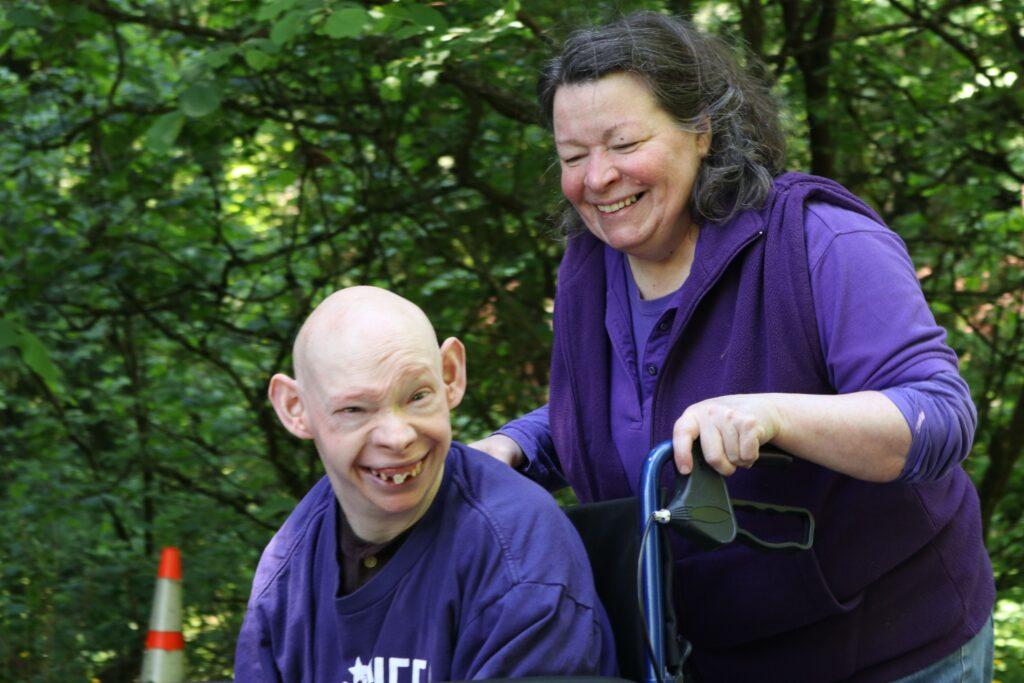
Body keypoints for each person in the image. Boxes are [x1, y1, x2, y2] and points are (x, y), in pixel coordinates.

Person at [470, 12, 994, 683]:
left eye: (623, 143)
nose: (596, 177)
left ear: (701, 130)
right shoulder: (589, 266)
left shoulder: (820, 241)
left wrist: (774, 415)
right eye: (573, 156)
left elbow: (938, 417)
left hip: (891, 650)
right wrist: (513, 447)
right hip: (713, 657)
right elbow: (625, 411)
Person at [235, 286, 617, 682]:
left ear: (450, 374)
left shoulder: (518, 553)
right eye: (354, 410)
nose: (397, 437)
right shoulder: (289, 568)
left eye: (417, 396)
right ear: (295, 409)